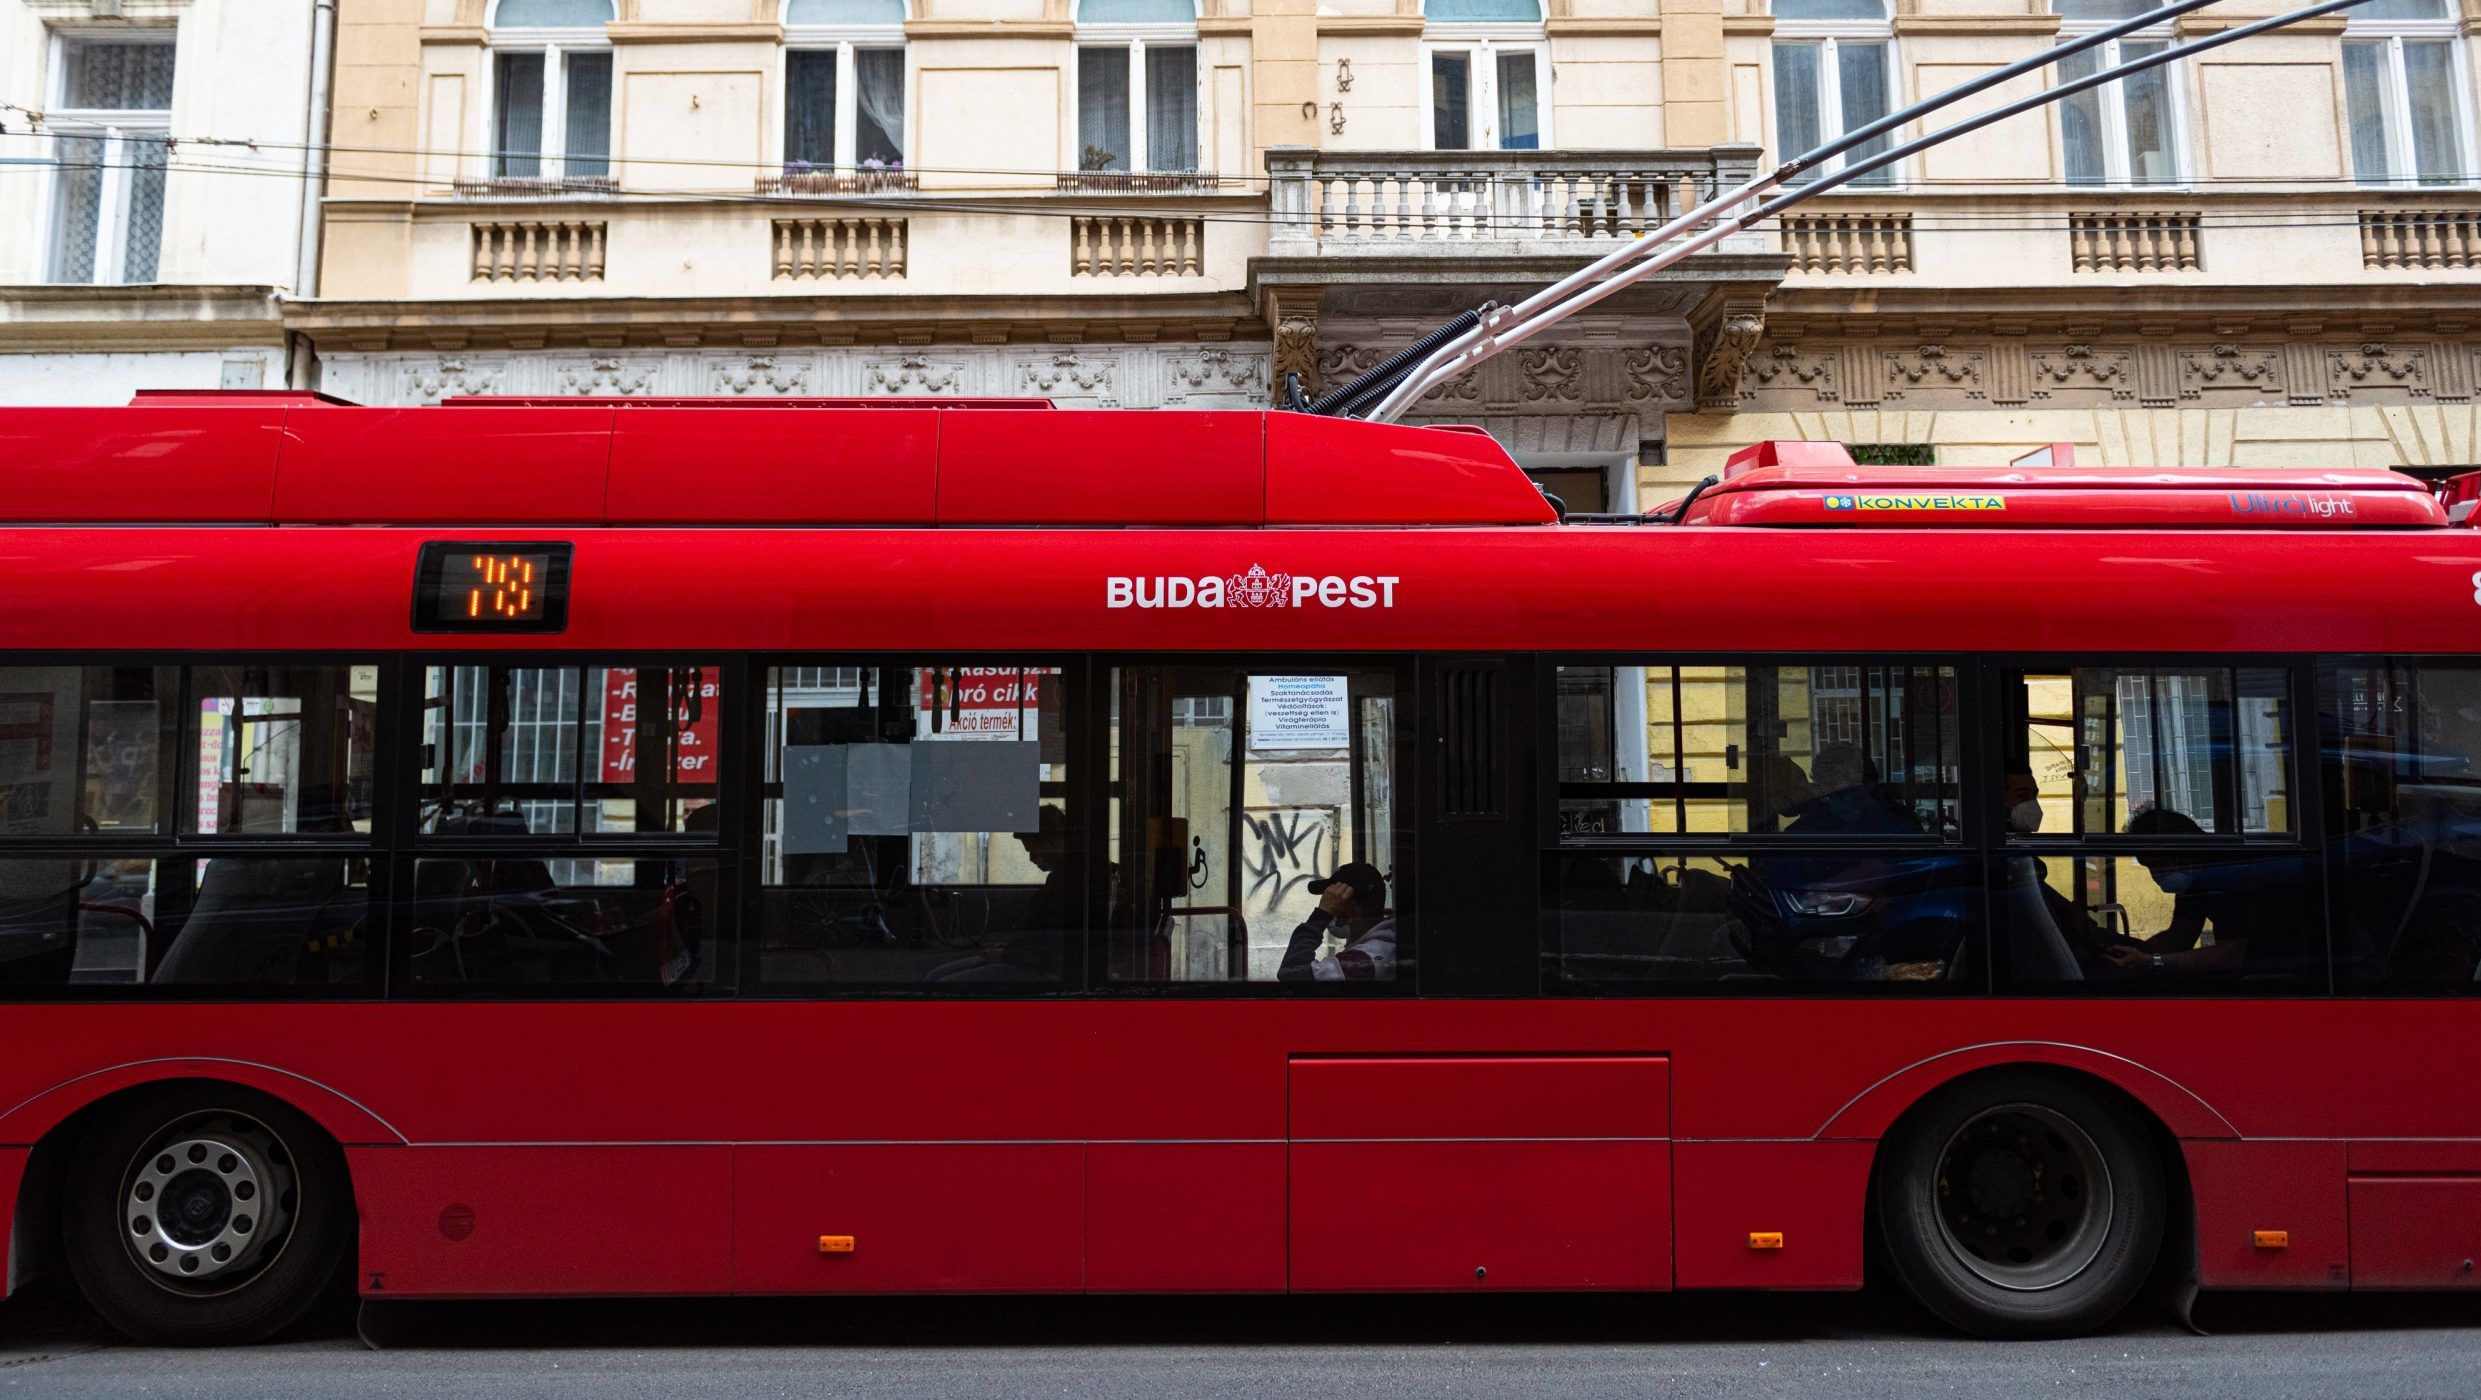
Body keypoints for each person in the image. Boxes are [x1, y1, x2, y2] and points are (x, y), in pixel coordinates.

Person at [2096, 807, 2300, 978]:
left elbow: (2229, 957)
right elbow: (2180, 936)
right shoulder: (2193, 877)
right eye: (2147, 866)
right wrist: (2129, 952)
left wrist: (2151, 961)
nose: (2154, 875)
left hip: (2283, 974)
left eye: (2157, 864)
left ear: (2180, 852)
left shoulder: (2225, 873)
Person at [1277, 861, 1396, 982]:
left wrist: (1321, 915)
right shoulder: (1373, 945)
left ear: (1350, 906)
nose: (1328, 906)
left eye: (1332, 901)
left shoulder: (1365, 959)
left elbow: (1292, 974)